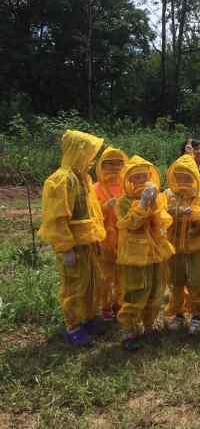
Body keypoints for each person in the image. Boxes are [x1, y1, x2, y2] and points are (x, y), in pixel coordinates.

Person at [39, 130, 106, 346]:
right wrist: (65, 247)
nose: (91, 158)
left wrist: (96, 238)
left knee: (91, 283)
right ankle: (73, 326)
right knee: (74, 285)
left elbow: (91, 211)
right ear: (77, 152)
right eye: (88, 152)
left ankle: (88, 318)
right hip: (73, 245)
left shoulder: (83, 178)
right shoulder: (62, 180)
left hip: (88, 242)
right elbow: (57, 218)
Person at [116, 155, 174, 351]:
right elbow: (128, 224)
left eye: (144, 176)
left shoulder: (157, 198)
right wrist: (141, 205)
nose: (141, 180)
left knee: (157, 289)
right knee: (135, 291)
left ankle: (148, 325)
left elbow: (163, 221)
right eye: (137, 177)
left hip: (156, 251)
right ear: (129, 180)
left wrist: (154, 205)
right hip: (134, 254)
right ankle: (129, 330)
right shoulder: (123, 202)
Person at [164, 154, 200, 334]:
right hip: (175, 245)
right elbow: (160, 216)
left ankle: (196, 315)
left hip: (195, 246)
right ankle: (177, 313)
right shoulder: (168, 194)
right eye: (179, 175)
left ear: (194, 176)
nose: (183, 179)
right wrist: (171, 212)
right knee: (176, 280)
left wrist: (194, 214)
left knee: (196, 280)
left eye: (187, 176)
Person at [93, 146, 128, 321]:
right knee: (105, 275)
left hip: (125, 237)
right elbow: (91, 213)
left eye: (118, 164)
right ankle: (105, 306)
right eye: (109, 164)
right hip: (104, 238)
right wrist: (104, 208)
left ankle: (119, 303)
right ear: (101, 166)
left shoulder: (128, 185)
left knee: (123, 273)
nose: (114, 167)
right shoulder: (95, 188)